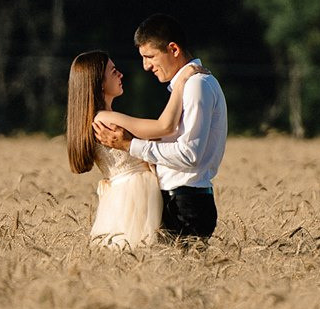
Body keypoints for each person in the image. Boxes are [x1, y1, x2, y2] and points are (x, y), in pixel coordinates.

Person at [94, 13, 227, 241]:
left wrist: (130, 145)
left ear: (173, 49)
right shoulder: (188, 86)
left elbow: (189, 154)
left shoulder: (196, 85)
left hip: (185, 203)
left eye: (150, 56)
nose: (146, 66)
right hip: (178, 200)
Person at [66, 50, 161, 247]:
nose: (121, 75)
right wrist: (181, 86)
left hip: (121, 196)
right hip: (136, 194)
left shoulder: (97, 119)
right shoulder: (106, 119)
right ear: (99, 82)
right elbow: (163, 128)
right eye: (113, 71)